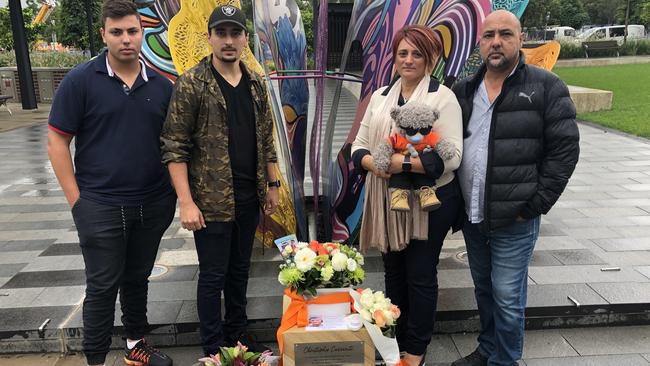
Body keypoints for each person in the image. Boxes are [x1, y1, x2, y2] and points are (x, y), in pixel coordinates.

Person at [47, 1, 176, 365]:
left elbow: (174, 143)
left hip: (152, 202)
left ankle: (136, 346)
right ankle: (96, 360)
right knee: (102, 287)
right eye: (116, 32)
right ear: (103, 34)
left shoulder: (161, 87)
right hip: (100, 204)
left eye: (132, 31)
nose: (125, 39)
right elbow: (57, 140)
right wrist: (77, 201)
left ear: (142, 33)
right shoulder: (81, 81)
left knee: (138, 278)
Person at [451, 10, 579, 366]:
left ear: (521, 39)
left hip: (516, 218)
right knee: (484, 290)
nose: (496, 42)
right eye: (489, 35)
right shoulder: (464, 90)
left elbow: (565, 150)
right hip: (473, 215)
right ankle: (489, 348)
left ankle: (505, 361)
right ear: (479, 42)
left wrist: (534, 204)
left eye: (505, 34)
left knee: (507, 295)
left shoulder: (545, 86)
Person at [159, 5, 279, 358]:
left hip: (248, 196)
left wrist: (272, 187)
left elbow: (267, 139)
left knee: (240, 270)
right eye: (221, 33)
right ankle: (213, 346)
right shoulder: (192, 83)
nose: (228, 41)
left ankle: (238, 333)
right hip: (210, 202)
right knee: (212, 276)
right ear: (209, 37)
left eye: (235, 33)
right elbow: (174, 145)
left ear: (245, 38)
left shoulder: (256, 83)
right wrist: (186, 201)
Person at [351, 25, 463, 366]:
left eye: (417, 53)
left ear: (429, 57)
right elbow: (358, 147)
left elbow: (452, 156)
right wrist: (375, 163)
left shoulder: (442, 97)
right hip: (388, 201)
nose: (409, 59)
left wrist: (399, 163)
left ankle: (415, 349)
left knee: (420, 273)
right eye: (403, 53)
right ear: (395, 57)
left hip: (430, 203)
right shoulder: (380, 96)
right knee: (393, 273)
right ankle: (393, 339)